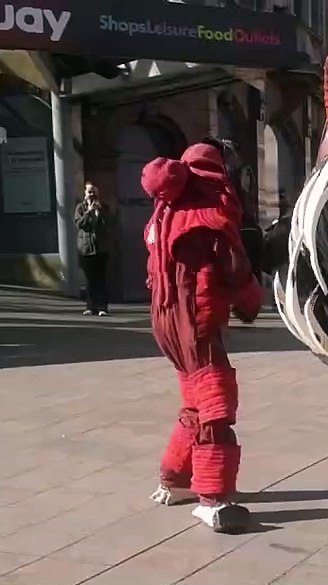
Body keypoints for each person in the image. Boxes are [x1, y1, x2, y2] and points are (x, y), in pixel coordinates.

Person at [142, 141, 264, 533]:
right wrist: (251, 302)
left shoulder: (163, 213)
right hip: (196, 322)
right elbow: (235, 268)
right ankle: (214, 499)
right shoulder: (208, 212)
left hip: (167, 322)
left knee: (195, 400)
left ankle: (174, 480)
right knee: (216, 404)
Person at [74, 182, 110, 316]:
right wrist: (89, 212)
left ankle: (102, 307)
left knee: (101, 279)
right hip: (87, 248)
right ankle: (90, 306)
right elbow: (79, 224)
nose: (92, 195)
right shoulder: (80, 208)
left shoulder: (104, 207)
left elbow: (108, 224)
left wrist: (98, 212)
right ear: (85, 194)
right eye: (89, 192)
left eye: (94, 192)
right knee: (90, 280)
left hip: (101, 248)